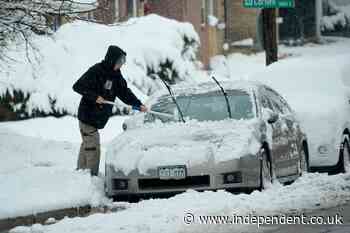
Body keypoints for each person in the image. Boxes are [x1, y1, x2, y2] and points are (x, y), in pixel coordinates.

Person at [73, 45, 147, 176]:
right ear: (112, 60)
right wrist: (95, 97)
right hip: (87, 116)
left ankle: (81, 174)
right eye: (120, 62)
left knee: (87, 145)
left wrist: (138, 105)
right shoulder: (96, 71)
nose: (121, 65)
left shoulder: (116, 75)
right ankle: (90, 177)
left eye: (123, 62)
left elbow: (124, 92)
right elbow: (78, 86)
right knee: (93, 147)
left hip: (96, 118)